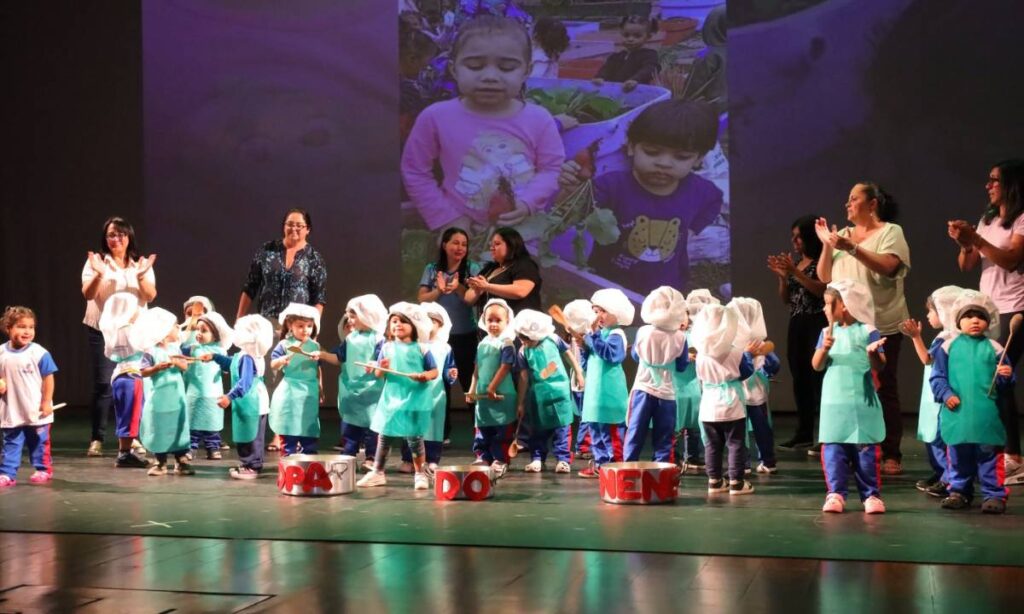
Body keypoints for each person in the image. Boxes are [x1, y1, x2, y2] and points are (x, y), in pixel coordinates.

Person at [401, 15, 565, 233]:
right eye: (475, 66)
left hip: (523, 233)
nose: (490, 76)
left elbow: (552, 168)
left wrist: (528, 203)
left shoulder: (540, 119)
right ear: (454, 69)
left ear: (526, 71)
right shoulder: (435, 117)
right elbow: (415, 171)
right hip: (461, 233)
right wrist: (446, 218)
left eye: (506, 68)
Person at [557, 100, 722, 294]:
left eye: (681, 157)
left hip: (668, 283)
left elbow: (713, 202)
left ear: (699, 159)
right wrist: (570, 191)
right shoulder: (611, 186)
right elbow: (569, 215)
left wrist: (691, 230)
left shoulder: (701, 190)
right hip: (609, 282)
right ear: (631, 147)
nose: (664, 163)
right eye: (652, 152)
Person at [815, 182, 911, 474]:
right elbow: (825, 276)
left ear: (872, 204)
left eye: (853, 198)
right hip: (845, 327)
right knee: (847, 384)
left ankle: (890, 451)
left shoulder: (890, 231)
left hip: (881, 323)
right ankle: (849, 445)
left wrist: (852, 248)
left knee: (883, 386)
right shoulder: (842, 235)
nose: (847, 204)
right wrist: (827, 245)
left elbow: (889, 267)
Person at [947, 159, 1024, 484]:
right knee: (986, 378)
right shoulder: (988, 219)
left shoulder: (1021, 219)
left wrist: (976, 240)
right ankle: (995, 452)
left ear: (1012, 184)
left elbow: (1011, 260)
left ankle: (1014, 456)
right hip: (988, 308)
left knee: (999, 377)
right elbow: (966, 264)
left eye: (995, 180)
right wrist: (965, 242)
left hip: (1016, 307)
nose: (988, 185)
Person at [929, 291, 1012, 514]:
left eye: (980, 316)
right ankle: (959, 491)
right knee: (958, 454)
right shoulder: (948, 347)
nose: (975, 320)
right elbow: (937, 377)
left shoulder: (995, 348)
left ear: (988, 321)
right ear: (957, 321)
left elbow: (1005, 383)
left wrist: (1005, 375)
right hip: (958, 413)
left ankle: (994, 494)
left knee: (989, 455)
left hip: (986, 415)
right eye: (968, 316)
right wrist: (946, 394)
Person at [81, 216, 156, 458]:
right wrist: (99, 274)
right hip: (102, 329)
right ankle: (97, 437)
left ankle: (132, 438)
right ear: (105, 239)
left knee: (134, 382)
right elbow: (88, 294)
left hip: (133, 331)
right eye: (111, 235)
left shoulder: (139, 265)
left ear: (129, 237)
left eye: (121, 234)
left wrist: (141, 276)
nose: (116, 239)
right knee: (104, 384)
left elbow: (150, 296)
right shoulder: (96, 262)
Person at [812, 280, 887, 514]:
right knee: (834, 449)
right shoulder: (826, 332)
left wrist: (873, 354)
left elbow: (880, 365)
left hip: (862, 401)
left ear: (844, 305)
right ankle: (835, 493)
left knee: (865, 450)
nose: (824, 308)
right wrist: (824, 348)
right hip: (834, 402)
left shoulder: (868, 331)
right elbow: (816, 365)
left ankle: (871, 495)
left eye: (828, 304)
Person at [358, 303, 439, 490]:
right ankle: (377, 472)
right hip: (391, 398)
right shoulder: (386, 348)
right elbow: (379, 374)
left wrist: (424, 376)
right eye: (394, 321)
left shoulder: (421, 348)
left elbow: (434, 371)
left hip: (415, 398)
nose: (398, 325)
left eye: (403, 321)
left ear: (414, 326)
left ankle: (420, 474)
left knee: (414, 437)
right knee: (384, 435)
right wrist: (382, 368)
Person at [767, 215, 827, 450]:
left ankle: (825, 435)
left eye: (798, 237)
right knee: (800, 377)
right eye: (793, 237)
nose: (794, 242)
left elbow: (821, 291)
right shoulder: (798, 263)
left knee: (818, 379)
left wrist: (795, 273)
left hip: (817, 322)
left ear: (810, 237)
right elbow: (787, 299)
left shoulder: (822, 261)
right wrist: (783, 278)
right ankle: (804, 433)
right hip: (797, 323)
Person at [417, 227, 482, 440]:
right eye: (455, 243)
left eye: (464, 244)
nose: (460, 248)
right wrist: (439, 290)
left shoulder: (472, 268)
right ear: (444, 244)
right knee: (440, 384)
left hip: (465, 334)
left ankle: (480, 431)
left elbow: (471, 300)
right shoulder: (432, 269)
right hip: (437, 339)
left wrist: (457, 287)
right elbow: (421, 298)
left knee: (469, 381)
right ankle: (441, 432)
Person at [900, 286, 963, 498]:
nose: (928, 315)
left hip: (943, 395)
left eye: (931, 311)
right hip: (934, 393)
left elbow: (928, 359)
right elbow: (928, 360)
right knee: (932, 435)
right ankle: (941, 473)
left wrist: (915, 337)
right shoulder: (943, 337)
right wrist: (916, 337)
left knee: (939, 437)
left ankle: (947, 478)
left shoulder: (949, 340)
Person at [690, 303, 756, 496]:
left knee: (712, 445)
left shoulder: (701, 355)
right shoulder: (735, 351)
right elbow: (746, 371)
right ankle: (736, 482)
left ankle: (715, 481)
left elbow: (700, 377)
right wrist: (748, 355)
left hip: (709, 407)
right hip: (732, 404)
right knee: (735, 444)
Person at [512, 310, 585, 473]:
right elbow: (523, 378)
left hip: (560, 393)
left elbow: (568, 355)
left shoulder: (553, 339)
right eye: (521, 338)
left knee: (562, 427)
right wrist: (520, 403)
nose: (524, 341)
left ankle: (563, 459)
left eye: (527, 338)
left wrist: (579, 373)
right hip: (539, 396)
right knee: (538, 429)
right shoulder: (523, 351)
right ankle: (537, 458)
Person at [624, 286, 690, 465]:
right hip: (667, 392)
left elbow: (635, 356)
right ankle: (661, 471)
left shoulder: (644, 331)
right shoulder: (680, 337)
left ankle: (628, 468)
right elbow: (682, 365)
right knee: (664, 436)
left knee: (635, 431)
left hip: (643, 388)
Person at [317, 295, 387, 462]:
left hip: (371, 391)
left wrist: (376, 364)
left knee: (372, 425)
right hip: (351, 389)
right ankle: (349, 454)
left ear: (368, 316)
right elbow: (339, 358)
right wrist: (323, 355)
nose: (349, 319)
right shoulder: (350, 339)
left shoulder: (378, 339)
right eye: (349, 315)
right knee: (350, 424)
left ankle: (372, 456)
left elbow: (383, 360)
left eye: (353, 316)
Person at [207, 315, 274, 479]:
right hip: (249, 400)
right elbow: (232, 363)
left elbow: (245, 382)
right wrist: (215, 357)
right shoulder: (244, 355)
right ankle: (248, 463)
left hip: (252, 400)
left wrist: (229, 397)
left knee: (252, 435)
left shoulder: (248, 357)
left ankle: (253, 466)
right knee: (247, 432)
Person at [0, 306, 58, 487]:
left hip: (36, 410)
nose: (27, 331)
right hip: (12, 410)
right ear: (8, 328)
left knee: (39, 442)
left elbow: (48, 379)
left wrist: (46, 402)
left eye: (31, 327)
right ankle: (7, 473)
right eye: (21, 326)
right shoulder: (1, 353)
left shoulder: (39, 353)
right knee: (11, 443)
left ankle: (43, 469)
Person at [237, 208, 327, 323]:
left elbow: (319, 298)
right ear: (284, 226)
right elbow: (250, 287)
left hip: (296, 326)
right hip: (266, 323)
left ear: (307, 229)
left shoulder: (314, 259)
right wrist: (238, 320)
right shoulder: (267, 250)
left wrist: (314, 327)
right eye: (290, 224)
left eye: (299, 226)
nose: (293, 228)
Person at [579, 289, 633, 477]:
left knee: (611, 432)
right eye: (595, 311)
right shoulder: (597, 335)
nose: (598, 316)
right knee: (595, 430)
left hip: (609, 392)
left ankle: (616, 466)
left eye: (603, 311)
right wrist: (584, 349)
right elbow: (588, 364)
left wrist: (593, 337)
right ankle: (601, 465)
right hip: (594, 392)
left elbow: (611, 355)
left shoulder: (616, 334)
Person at [134, 308, 193, 477]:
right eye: (175, 326)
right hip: (159, 398)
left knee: (178, 425)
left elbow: (185, 366)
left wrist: (178, 362)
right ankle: (160, 461)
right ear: (164, 331)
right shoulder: (150, 351)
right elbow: (143, 371)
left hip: (176, 397)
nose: (178, 328)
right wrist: (157, 368)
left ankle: (181, 460)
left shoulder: (175, 348)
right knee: (159, 426)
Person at [98, 292, 149, 469]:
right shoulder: (127, 329)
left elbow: (109, 353)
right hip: (131, 375)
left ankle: (125, 452)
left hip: (122, 374)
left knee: (126, 415)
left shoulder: (116, 330)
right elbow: (143, 346)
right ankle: (124, 453)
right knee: (130, 415)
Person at [731, 297, 780, 474]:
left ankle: (744, 464)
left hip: (741, 394)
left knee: (741, 431)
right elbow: (774, 366)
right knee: (762, 429)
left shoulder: (733, 343)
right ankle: (768, 461)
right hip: (756, 393)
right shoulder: (760, 343)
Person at [268, 303, 322, 456]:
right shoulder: (284, 345)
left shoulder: (315, 346)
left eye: (309, 326)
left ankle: (309, 459)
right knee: (289, 425)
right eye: (300, 326)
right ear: (290, 325)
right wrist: (282, 360)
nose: (305, 330)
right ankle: (288, 458)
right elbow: (273, 363)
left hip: (309, 391)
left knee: (308, 425)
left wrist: (320, 387)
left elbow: (318, 368)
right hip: (290, 391)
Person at [180, 311, 232, 461]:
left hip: (213, 394)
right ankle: (191, 448)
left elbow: (228, 366)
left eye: (204, 330)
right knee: (193, 423)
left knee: (212, 423)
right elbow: (180, 351)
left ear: (215, 335)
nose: (199, 333)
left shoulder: (220, 351)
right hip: (194, 393)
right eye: (198, 329)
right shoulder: (192, 349)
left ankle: (213, 447)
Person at [465, 227, 543, 313]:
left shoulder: (525, 265)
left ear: (511, 245)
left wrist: (487, 286)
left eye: (497, 244)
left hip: (520, 319)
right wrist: (477, 288)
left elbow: (521, 291)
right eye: (491, 245)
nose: (492, 248)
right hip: (491, 319)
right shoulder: (490, 268)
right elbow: (468, 300)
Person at [592, 15, 660, 92]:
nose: (630, 39)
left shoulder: (650, 55)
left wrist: (635, 79)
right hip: (615, 93)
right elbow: (606, 69)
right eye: (626, 35)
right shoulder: (616, 56)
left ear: (648, 37)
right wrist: (600, 77)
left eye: (637, 36)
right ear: (621, 33)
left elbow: (649, 69)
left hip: (637, 91)